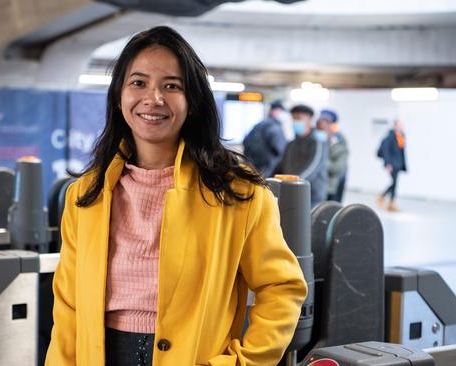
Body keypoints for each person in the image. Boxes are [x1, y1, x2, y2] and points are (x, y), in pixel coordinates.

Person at [46, 26, 307, 366]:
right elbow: (69, 305)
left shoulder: (239, 193)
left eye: (171, 86)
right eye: (138, 83)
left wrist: (244, 362)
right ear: (118, 96)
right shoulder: (86, 195)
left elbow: (282, 288)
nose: (153, 99)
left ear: (193, 101)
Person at [273, 104, 329, 207]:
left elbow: (311, 168)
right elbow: (281, 166)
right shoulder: (291, 144)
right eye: (293, 119)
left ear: (309, 119)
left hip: (311, 196)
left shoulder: (316, 143)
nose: (295, 122)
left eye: (299, 118)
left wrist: (292, 184)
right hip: (292, 192)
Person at [243, 100, 287, 177]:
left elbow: (245, 141)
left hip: (253, 166)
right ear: (276, 111)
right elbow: (281, 149)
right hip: (268, 169)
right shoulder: (274, 127)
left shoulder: (258, 125)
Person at [316, 109, 348, 202]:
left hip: (331, 187)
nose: (321, 130)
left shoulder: (339, 142)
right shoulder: (315, 139)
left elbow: (338, 167)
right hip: (317, 187)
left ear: (332, 127)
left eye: (325, 126)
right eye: (319, 128)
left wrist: (320, 162)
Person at [377, 119, 407, 212]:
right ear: (394, 126)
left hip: (398, 164)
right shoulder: (389, 137)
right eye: (399, 125)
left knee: (395, 183)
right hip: (392, 164)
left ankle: (391, 203)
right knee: (394, 183)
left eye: (401, 125)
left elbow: (401, 152)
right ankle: (382, 196)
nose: (401, 127)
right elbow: (386, 152)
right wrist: (388, 164)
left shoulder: (401, 136)